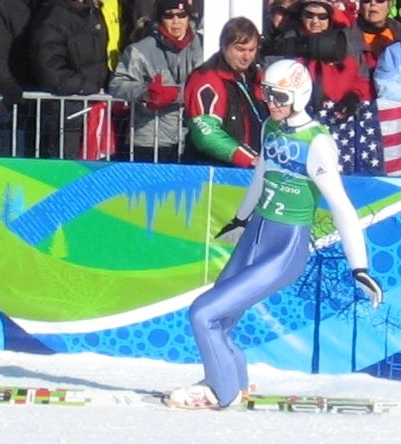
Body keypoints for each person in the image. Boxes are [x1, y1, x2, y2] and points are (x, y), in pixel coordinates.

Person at [167, 59, 383, 410]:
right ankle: (229, 383)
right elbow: (261, 176)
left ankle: (221, 393)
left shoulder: (317, 142)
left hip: (284, 249)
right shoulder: (271, 126)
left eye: (279, 96)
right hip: (255, 234)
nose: (271, 103)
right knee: (219, 319)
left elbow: (342, 206)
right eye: (267, 94)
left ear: (299, 96)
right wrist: (240, 220)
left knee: (202, 314)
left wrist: (359, 268)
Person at [108, 0, 203, 163]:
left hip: (192, 135)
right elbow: (117, 84)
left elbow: (206, 86)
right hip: (150, 136)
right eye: (169, 16)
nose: (176, 21)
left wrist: (175, 94)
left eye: (181, 15)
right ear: (159, 19)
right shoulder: (139, 49)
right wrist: (145, 93)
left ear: (189, 18)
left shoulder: (204, 46)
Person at [30, 0, 109, 159]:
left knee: (95, 171)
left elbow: (99, 60)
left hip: (95, 109)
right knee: (65, 172)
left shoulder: (93, 12)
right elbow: (50, 69)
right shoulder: (52, 16)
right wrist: (87, 87)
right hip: (67, 112)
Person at [184, 16, 268, 167]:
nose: (247, 57)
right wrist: (248, 159)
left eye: (251, 50)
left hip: (252, 169)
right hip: (215, 172)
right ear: (223, 46)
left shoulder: (255, 76)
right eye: (240, 50)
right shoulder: (207, 78)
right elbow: (205, 134)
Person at [0, 0, 39, 156]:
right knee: (7, 157)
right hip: (8, 101)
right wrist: (7, 84)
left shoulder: (50, 6)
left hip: (45, 101)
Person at [355, 0, 401, 72]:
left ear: (389, 5)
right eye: (367, 0)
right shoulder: (347, 37)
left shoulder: (398, 30)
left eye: (380, 0)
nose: (373, 3)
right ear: (360, 6)